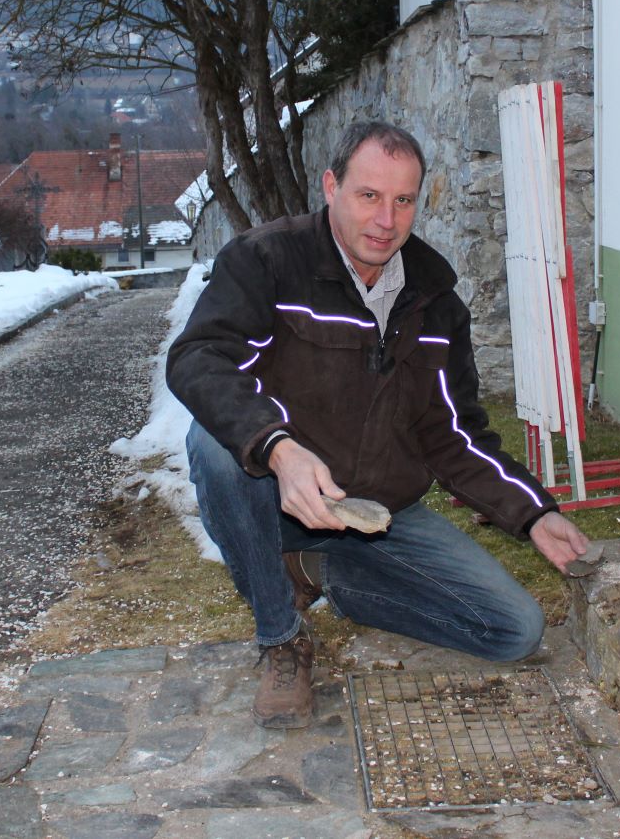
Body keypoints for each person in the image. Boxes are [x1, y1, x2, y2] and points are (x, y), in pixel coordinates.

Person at [165, 120, 589, 729]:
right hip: (279, 495)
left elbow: (458, 433)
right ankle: (282, 637)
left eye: (403, 200)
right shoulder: (267, 261)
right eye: (369, 195)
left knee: (513, 631)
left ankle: (323, 572)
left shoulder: (436, 300)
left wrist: (534, 512)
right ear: (331, 185)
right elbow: (199, 358)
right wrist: (279, 448)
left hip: (379, 512)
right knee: (214, 443)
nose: (386, 220)